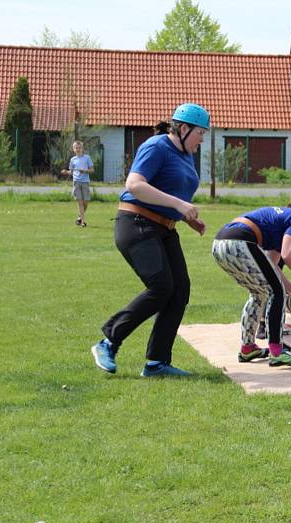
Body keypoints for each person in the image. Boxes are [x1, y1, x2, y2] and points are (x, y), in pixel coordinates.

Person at [90, 103, 209, 377]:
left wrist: (189, 218)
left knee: (179, 290)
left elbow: (171, 191)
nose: (202, 139)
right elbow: (135, 184)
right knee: (161, 287)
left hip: (165, 229)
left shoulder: (185, 155)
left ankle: (157, 363)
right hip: (136, 224)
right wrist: (180, 205)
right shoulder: (157, 146)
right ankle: (108, 342)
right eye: (199, 133)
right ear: (182, 128)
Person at [212, 192, 291, 367]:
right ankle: (277, 352)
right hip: (240, 241)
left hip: (221, 244)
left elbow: (274, 268)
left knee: (259, 294)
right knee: (276, 293)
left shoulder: (283, 225)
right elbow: (288, 254)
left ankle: (247, 348)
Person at [60, 140, 94, 227]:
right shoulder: (72, 160)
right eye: (76, 148)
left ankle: (79, 217)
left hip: (85, 182)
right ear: (73, 149)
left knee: (85, 202)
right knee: (80, 202)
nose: (78, 149)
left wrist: (85, 171)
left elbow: (92, 170)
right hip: (76, 182)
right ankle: (83, 222)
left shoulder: (87, 158)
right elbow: (71, 172)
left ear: (82, 149)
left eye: (79, 147)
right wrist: (66, 172)